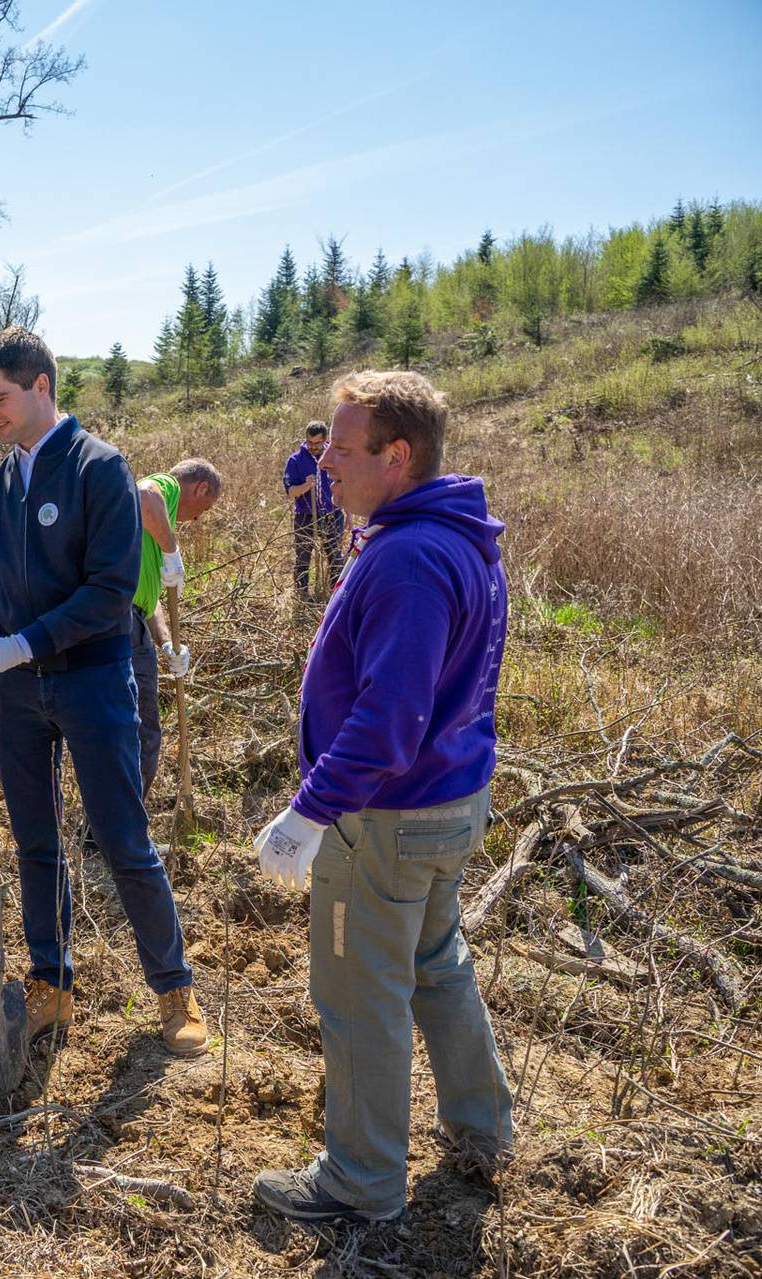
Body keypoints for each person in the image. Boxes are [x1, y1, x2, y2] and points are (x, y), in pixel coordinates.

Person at [0, 327, 207, 1058]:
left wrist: (19, 642)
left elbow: (107, 592)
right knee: (37, 843)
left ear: (41, 386)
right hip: (16, 693)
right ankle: (51, 981)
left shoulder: (101, 469)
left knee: (125, 840)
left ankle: (174, 987)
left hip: (95, 678)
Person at [250, 370, 512, 1224]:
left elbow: (389, 716)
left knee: (361, 992)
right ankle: (482, 1127)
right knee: (436, 963)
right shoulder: (454, 536)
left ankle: (361, 1180)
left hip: (389, 816)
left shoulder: (408, 560)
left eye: (341, 447)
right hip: (449, 799)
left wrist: (310, 810)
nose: (323, 462)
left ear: (397, 456)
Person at [128, 458, 221, 799]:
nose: (196, 519)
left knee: (132, 729)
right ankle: (124, 832)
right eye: (203, 509)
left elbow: (147, 598)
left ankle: (107, 831)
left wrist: (167, 643)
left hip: (132, 619)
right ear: (201, 488)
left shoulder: (156, 523)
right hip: (121, 624)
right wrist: (171, 549)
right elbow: (142, 495)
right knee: (141, 732)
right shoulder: (163, 488)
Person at [284, 420, 346, 600]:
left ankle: (336, 594)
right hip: (305, 515)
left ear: (325, 440)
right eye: (309, 443)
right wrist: (305, 485)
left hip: (332, 514)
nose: (312, 447)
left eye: (317, 443)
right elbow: (290, 492)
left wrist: (348, 516)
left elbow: (345, 486)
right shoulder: (295, 460)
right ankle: (303, 595)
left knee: (335, 555)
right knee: (303, 555)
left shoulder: (335, 457)